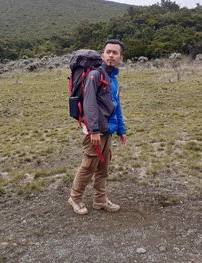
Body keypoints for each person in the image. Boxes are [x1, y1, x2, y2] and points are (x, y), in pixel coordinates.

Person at [68, 39, 127, 215]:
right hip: (95, 131)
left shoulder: (113, 79)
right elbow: (89, 104)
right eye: (108, 52)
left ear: (120, 58)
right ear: (102, 55)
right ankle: (75, 198)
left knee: (103, 167)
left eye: (115, 53)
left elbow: (117, 105)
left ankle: (100, 200)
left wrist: (122, 130)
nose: (111, 55)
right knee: (88, 166)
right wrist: (93, 129)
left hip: (108, 130)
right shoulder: (95, 75)